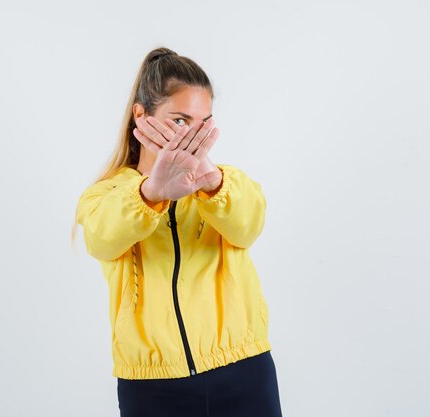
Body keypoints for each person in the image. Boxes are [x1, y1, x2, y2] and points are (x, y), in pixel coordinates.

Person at [73, 47, 283, 417]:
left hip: (244, 371)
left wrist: (212, 182)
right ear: (142, 115)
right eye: (180, 121)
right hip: (152, 387)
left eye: (203, 123)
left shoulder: (225, 183)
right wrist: (151, 193)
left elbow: (249, 226)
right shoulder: (106, 194)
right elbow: (101, 238)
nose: (191, 136)